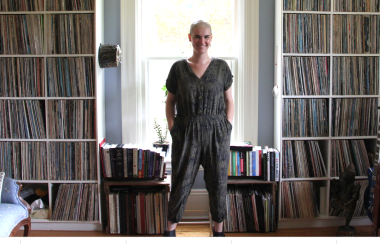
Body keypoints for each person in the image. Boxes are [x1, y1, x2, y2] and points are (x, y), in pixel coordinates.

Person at [164, 20, 234, 237]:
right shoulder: (178, 68)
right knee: (181, 183)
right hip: (186, 132)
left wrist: (227, 126)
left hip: (217, 133)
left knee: (218, 183)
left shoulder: (222, 67)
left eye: (206, 37)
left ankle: (219, 233)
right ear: (189, 38)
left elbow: (229, 100)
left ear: (211, 39)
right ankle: (169, 233)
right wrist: (173, 127)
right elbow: (170, 102)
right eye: (197, 36)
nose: (201, 41)